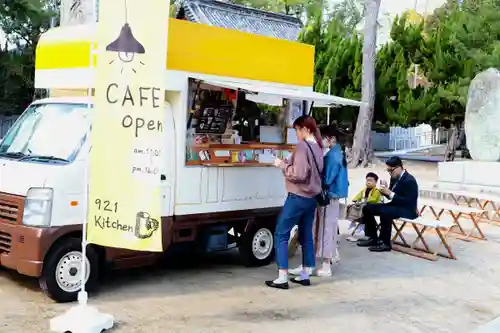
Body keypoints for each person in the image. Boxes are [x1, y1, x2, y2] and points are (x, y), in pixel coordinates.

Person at [265, 115, 323, 290]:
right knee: (306, 235)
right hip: (312, 198)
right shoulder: (318, 147)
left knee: (281, 232)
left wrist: (282, 165)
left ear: (306, 129)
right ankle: (305, 274)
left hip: (298, 196)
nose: (296, 133)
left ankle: (282, 276)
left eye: (297, 130)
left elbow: (299, 174)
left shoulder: (303, 147)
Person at [288, 124, 348, 277]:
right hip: (331, 197)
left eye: (324, 137)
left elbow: (327, 179)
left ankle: (321, 264)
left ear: (331, 138)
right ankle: (315, 264)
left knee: (322, 230)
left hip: (327, 197)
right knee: (324, 230)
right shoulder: (337, 153)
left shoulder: (333, 156)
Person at [357, 156, 418, 252]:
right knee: (367, 208)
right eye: (388, 171)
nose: (389, 173)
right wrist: (385, 192)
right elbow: (391, 196)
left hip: (407, 209)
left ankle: (385, 243)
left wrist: (390, 193)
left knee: (386, 212)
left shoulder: (409, 180)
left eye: (390, 170)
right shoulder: (394, 177)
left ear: (398, 167)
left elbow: (408, 201)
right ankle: (373, 238)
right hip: (395, 205)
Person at [346, 172, 383, 241]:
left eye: (371, 181)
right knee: (352, 206)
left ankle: (362, 223)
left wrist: (363, 201)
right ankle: (354, 221)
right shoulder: (364, 190)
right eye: (367, 180)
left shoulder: (377, 191)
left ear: (375, 182)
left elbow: (373, 199)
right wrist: (356, 201)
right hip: (364, 205)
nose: (368, 182)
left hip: (374, 207)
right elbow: (357, 197)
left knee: (363, 208)